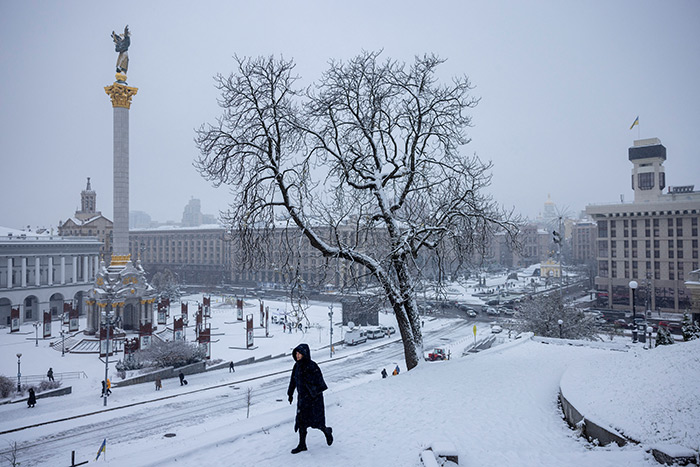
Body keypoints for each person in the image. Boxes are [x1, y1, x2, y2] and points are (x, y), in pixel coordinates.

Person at [287, 343, 333, 454]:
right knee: (302, 423)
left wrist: (311, 393)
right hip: (302, 400)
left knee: (317, 423)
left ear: (305, 354)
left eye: (300, 354)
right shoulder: (296, 366)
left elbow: (319, 383)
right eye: (296, 354)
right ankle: (302, 445)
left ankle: (327, 431)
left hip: (314, 400)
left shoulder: (312, 366)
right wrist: (290, 393)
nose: (297, 356)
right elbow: (293, 380)